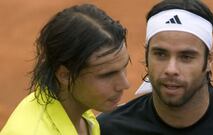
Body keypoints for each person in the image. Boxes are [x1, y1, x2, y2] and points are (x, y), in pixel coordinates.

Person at [97, 0, 213, 134]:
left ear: (209, 59)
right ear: (147, 55)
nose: (171, 69)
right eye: (160, 54)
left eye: (186, 57)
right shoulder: (109, 129)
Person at [0, 3, 130, 135]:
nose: (125, 84)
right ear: (65, 75)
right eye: (107, 75)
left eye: (124, 67)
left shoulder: (79, 109)